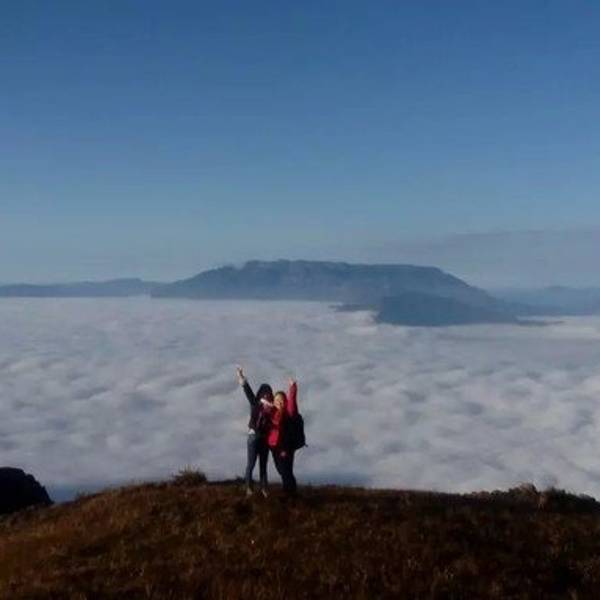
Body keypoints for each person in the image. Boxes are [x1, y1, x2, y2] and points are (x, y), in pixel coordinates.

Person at [236, 366, 273, 497]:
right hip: (255, 437)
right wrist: (241, 376)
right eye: (265, 393)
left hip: (262, 438)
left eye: (268, 393)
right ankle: (252, 488)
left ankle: (260, 489)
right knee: (252, 465)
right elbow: (247, 390)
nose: (266, 395)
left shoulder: (270, 408)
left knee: (259, 465)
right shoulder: (256, 403)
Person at [266, 379, 299, 496]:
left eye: (281, 400)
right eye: (277, 400)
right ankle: (291, 491)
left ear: (285, 401)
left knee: (285, 471)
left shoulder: (288, 412)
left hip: (285, 447)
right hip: (274, 447)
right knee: (282, 470)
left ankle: (289, 493)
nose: (279, 402)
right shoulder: (272, 412)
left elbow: (292, 402)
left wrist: (292, 387)